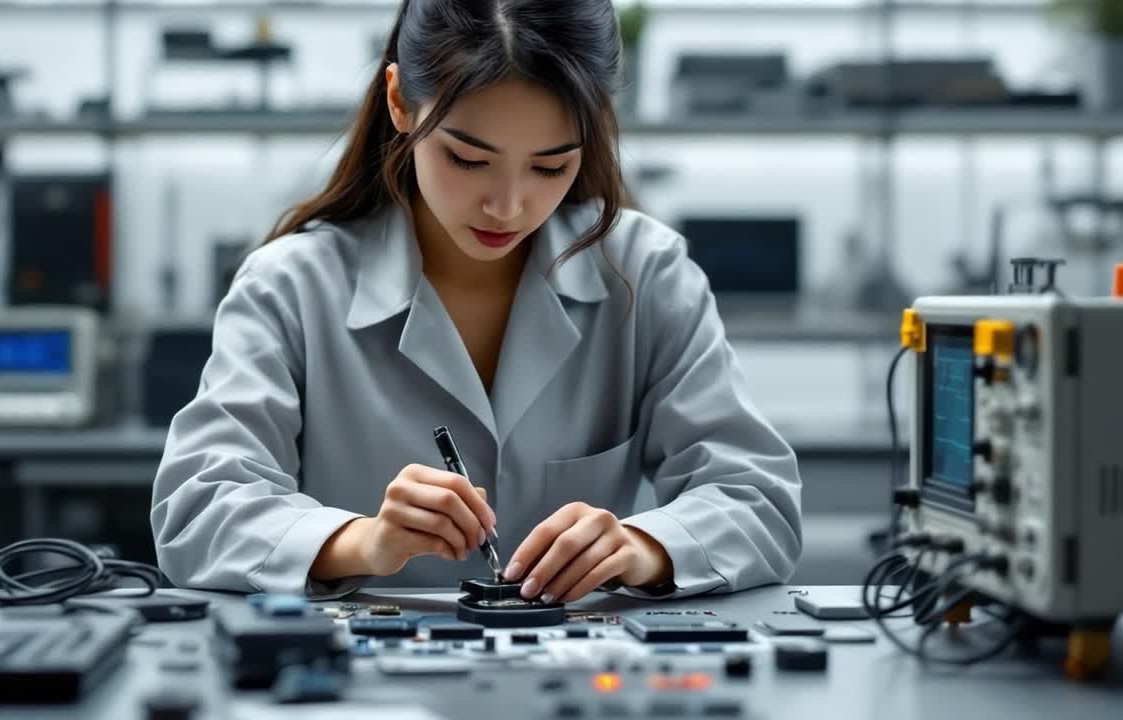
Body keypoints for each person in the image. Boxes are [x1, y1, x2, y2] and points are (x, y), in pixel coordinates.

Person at [151, 0, 801, 604]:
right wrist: (363, 542)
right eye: (467, 159)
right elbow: (198, 509)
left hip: (586, 665)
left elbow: (757, 501)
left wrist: (640, 547)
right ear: (400, 102)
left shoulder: (645, 273)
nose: (507, 206)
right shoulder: (290, 285)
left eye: (550, 166)